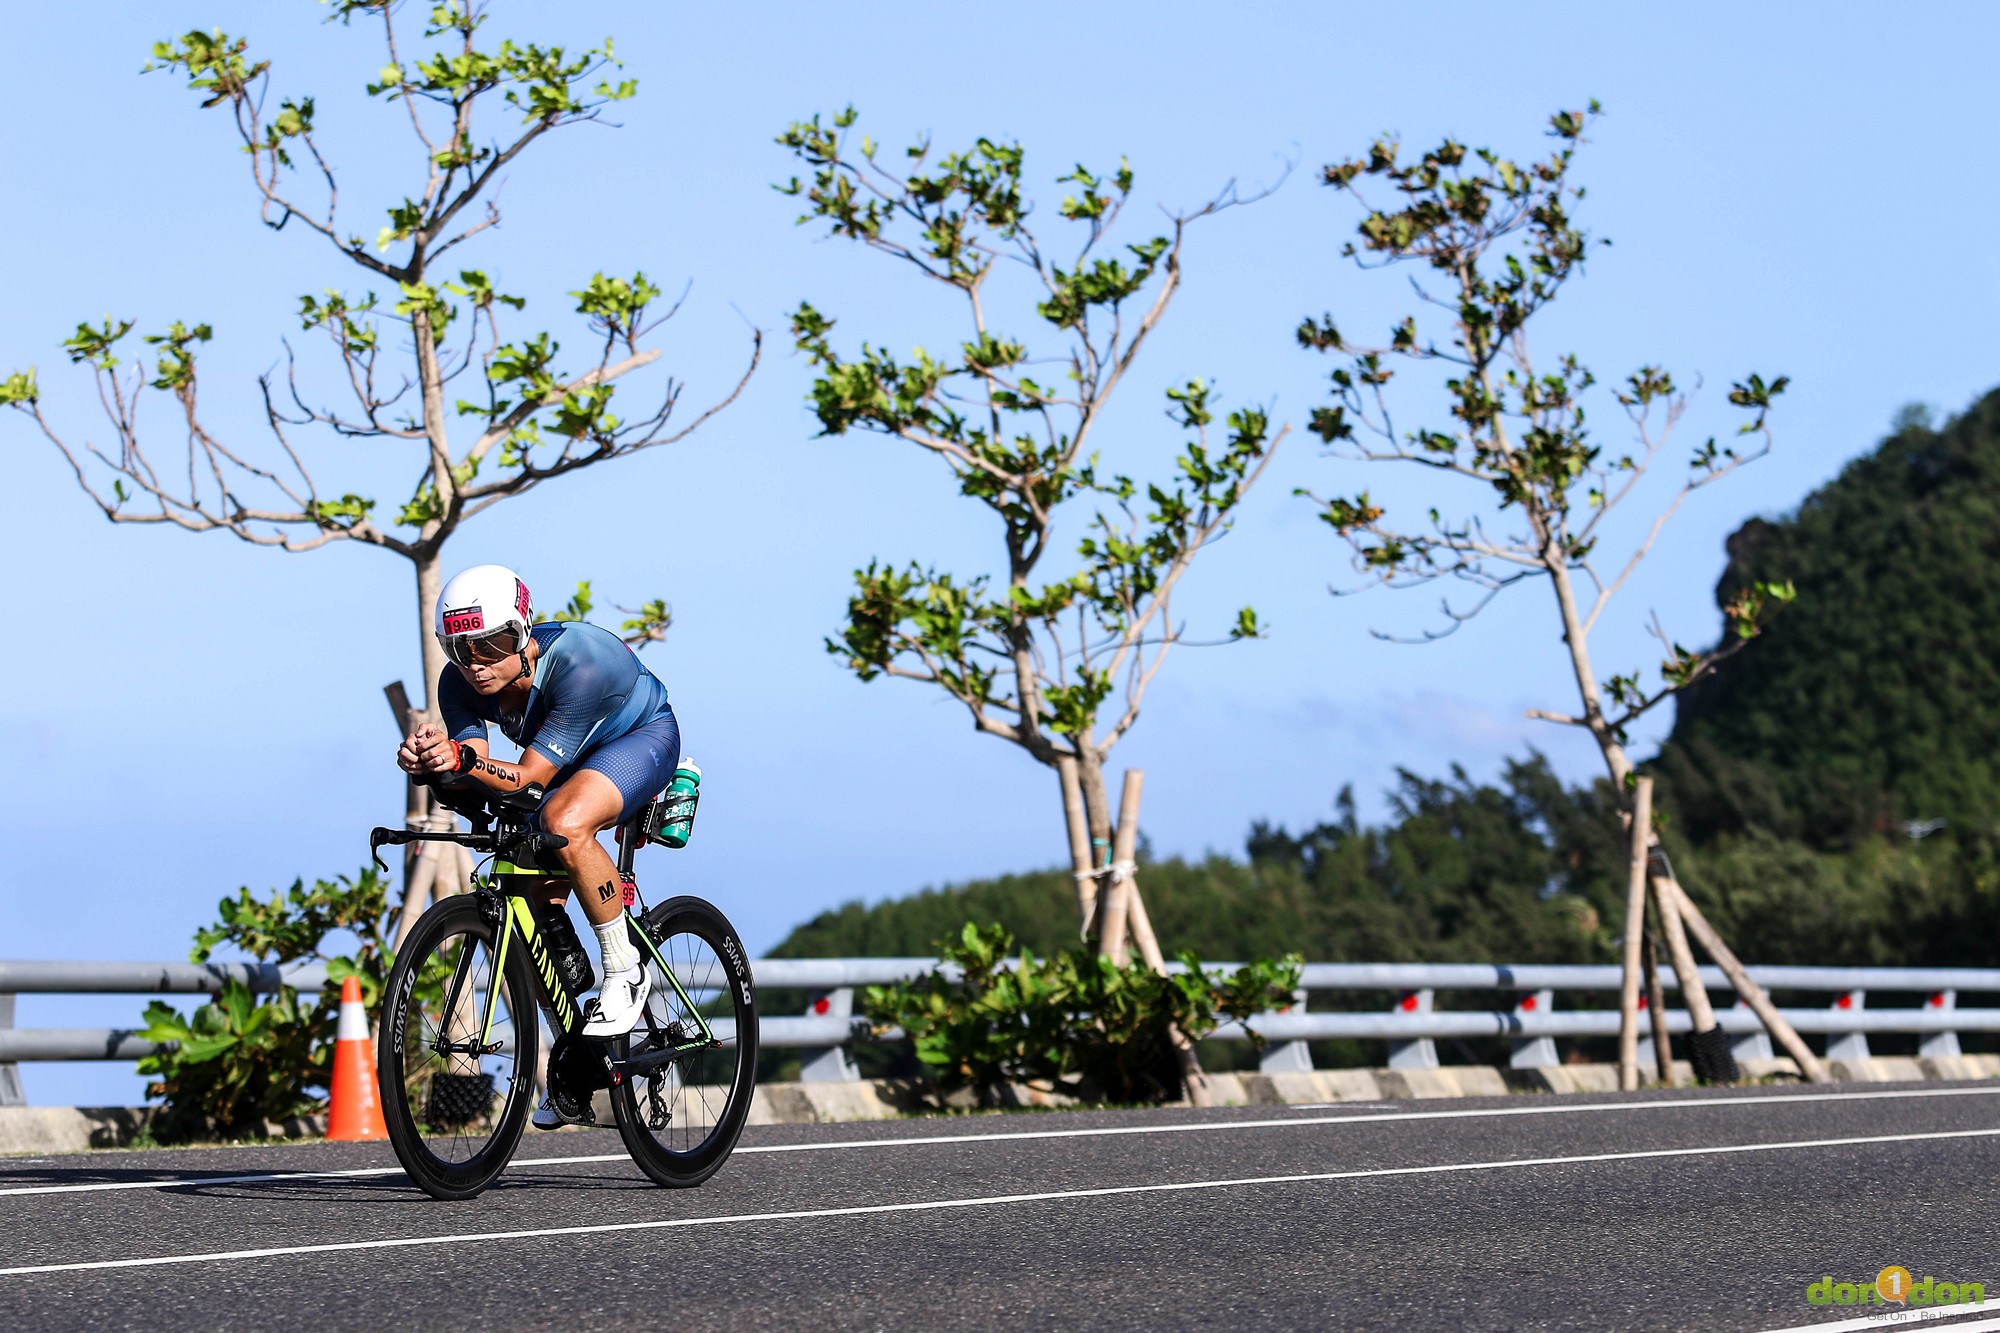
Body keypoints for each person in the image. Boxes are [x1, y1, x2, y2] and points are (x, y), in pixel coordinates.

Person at [396, 564, 681, 1129]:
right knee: (528, 903)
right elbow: (478, 774)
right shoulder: (457, 683)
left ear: (521, 632)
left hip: (638, 738)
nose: (475, 662)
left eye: (489, 644)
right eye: (458, 647)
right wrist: (434, 765)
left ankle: (624, 967)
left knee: (565, 820)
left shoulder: (579, 661)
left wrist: (466, 760)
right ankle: (573, 1059)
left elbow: (525, 779)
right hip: (560, 760)